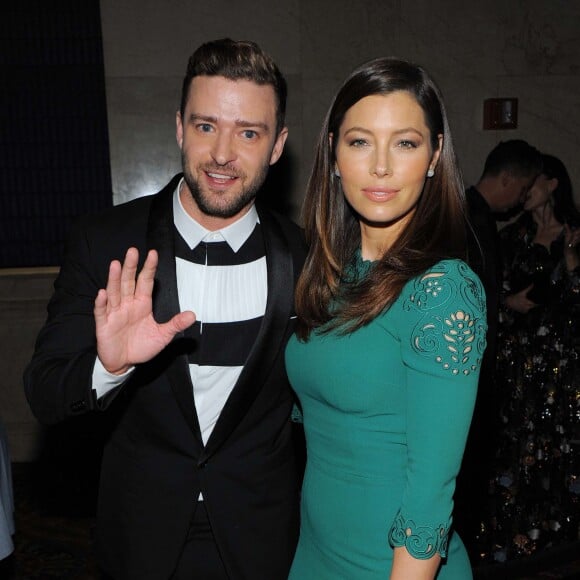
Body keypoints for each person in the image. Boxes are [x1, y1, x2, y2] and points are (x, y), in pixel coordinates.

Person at [24, 38, 306, 580]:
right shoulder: (103, 241)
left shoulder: (309, 258)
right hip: (139, 538)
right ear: (179, 127)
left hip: (262, 541)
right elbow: (46, 393)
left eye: (249, 132)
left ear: (277, 145)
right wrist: (109, 368)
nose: (223, 153)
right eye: (206, 126)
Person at [285, 57, 487, 579]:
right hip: (314, 556)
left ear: (435, 155)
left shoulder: (444, 292)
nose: (380, 166)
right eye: (359, 141)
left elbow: (428, 503)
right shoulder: (327, 274)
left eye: (405, 142)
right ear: (332, 152)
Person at [480, 153, 580, 562]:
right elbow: (489, 294)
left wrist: (571, 263)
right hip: (516, 361)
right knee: (514, 447)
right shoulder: (511, 235)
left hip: (560, 366)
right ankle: (512, 545)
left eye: (533, 181)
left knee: (556, 450)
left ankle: (560, 543)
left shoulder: (574, 235)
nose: (526, 191)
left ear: (552, 183)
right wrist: (507, 303)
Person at [456, 140, 542, 556]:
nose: (523, 199)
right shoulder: (468, 217)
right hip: (466, 373)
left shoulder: (477, 215)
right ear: (507, 178)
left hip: (477, 370)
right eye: (523, 188)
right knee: (466, 477)